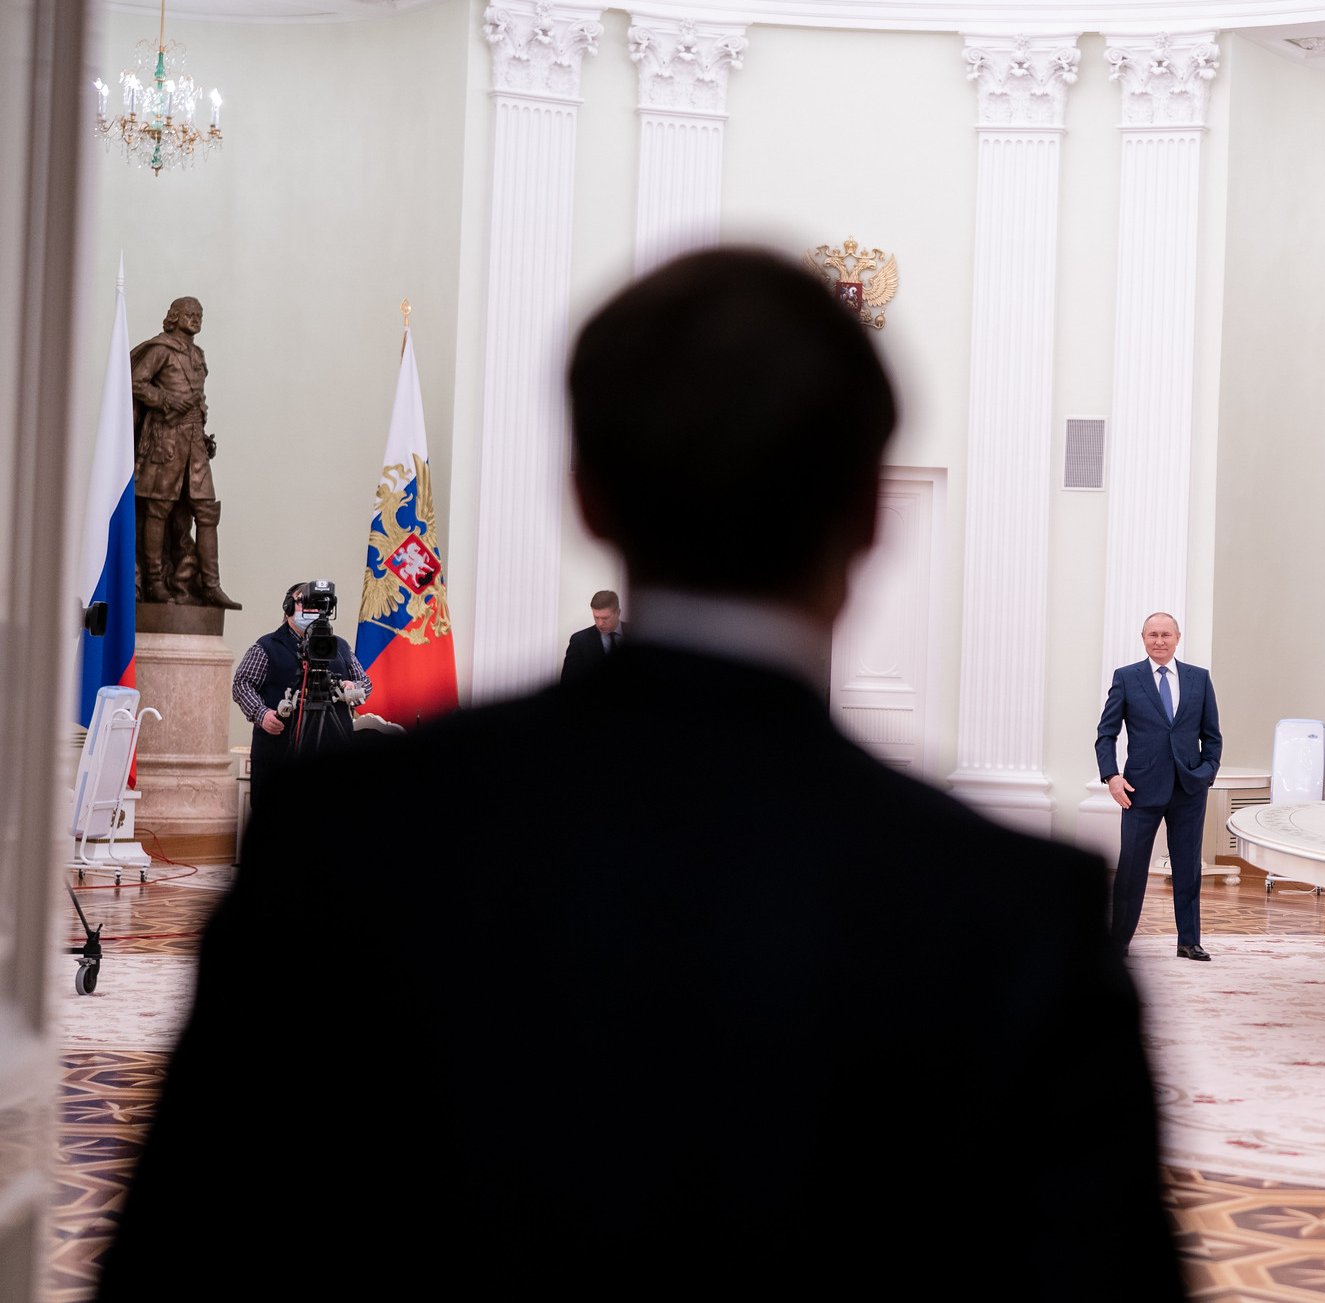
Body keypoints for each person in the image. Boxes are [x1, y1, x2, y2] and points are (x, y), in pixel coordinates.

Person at [97, 250, 1185, 1302]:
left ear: (585, 496)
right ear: (865, 516)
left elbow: (190, 1260)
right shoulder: (1019, 920)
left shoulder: (345, 842)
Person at [1095, 613, 1223, 961]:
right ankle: (1118, 942)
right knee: (1131, 869)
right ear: (1143, 638)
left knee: (1187, 868)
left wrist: (1207, 772)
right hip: (1139, 789)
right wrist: (1112, 777)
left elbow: (1212, 736)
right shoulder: (1127, 678)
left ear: (1177, 638)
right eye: (1153, 635)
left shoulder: (1199, 679)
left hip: (1188, 789)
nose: (1160, 641)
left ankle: (1189, 941)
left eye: (1166, 634)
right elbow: (1106, 734)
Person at [130, 296, 239, 608]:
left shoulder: (197, 354)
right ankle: (154, 581)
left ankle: (211, 584)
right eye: (189, 313)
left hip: (194, 441)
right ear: (173, 317)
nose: (195, 318)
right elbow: (135, 383)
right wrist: (166, 400)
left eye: (200, 314)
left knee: (206, 511)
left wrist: (203, 436)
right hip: (166, 440)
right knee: (158, 509)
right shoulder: (160, 348)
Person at [227, 580, 368, 813]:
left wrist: (353, 686)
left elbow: (367, 683)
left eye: (318, 603)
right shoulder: (266, 646)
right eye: (305, 602)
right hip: (281, 754)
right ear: (288, 606)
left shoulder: (339, 647)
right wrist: (261, 714)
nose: (312, 609)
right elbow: (242, 684)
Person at [560, 588, 623, 682]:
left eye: (605, 618)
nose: (600, 623)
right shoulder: (579, 641)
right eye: (596, 617)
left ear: (618, 613)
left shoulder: (638, 634)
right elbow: (568, 683)